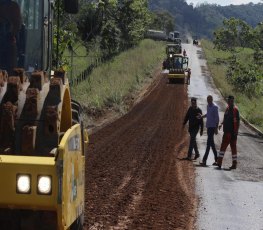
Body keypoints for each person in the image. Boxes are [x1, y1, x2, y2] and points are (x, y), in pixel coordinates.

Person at [217, 95, 240, 169]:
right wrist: (221, 124)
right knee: (222, 148)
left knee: (233, 149)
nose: (229, 102)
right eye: (228, 100)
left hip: (232, 133)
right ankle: (219, 162)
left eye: (231, 101)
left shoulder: (235, 110)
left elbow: (237, 122)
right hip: (226, 132)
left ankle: (234, 164)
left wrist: (235, 132)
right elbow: (225, 118)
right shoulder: (227, 109)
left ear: (232, 101)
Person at [199, 95, 219, 166]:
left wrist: (216, 128)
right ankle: (217, 160)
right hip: (208, 127)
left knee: (208, 144)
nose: (208, 101)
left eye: (210, 99)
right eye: (207, 99)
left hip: (213, 127)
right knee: (212, 144)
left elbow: (217, 118)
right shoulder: (208, 106)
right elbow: (208, 114)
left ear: (212, 99)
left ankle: (204, 160)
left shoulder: (215, 107)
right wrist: (202, 116)